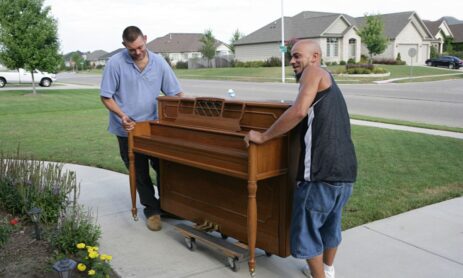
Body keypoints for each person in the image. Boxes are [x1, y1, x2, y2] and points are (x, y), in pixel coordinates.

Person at [245, 40, 357, 278]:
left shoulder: (313, 71)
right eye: (291, 57)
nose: (293, 61)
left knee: (307, 232)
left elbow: (298, 110)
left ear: (315, 56)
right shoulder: (329, 79)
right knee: (330, 225)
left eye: (297, 56)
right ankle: (328, 270)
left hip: (319, 173)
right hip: (345, 173)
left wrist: (264, 136)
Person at [100, 26, 183, 232]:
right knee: (139, 172)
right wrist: (122, 116)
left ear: (145, 39)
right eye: (131, 49)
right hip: (127, 129)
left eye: (140, 47)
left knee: (164, 168)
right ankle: (152, 210)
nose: (137, 52)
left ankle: (168, 205)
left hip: (154, 128)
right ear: (124, 46)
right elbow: (106, 96)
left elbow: (175, 94)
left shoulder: (159, 62)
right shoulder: (115, 63)